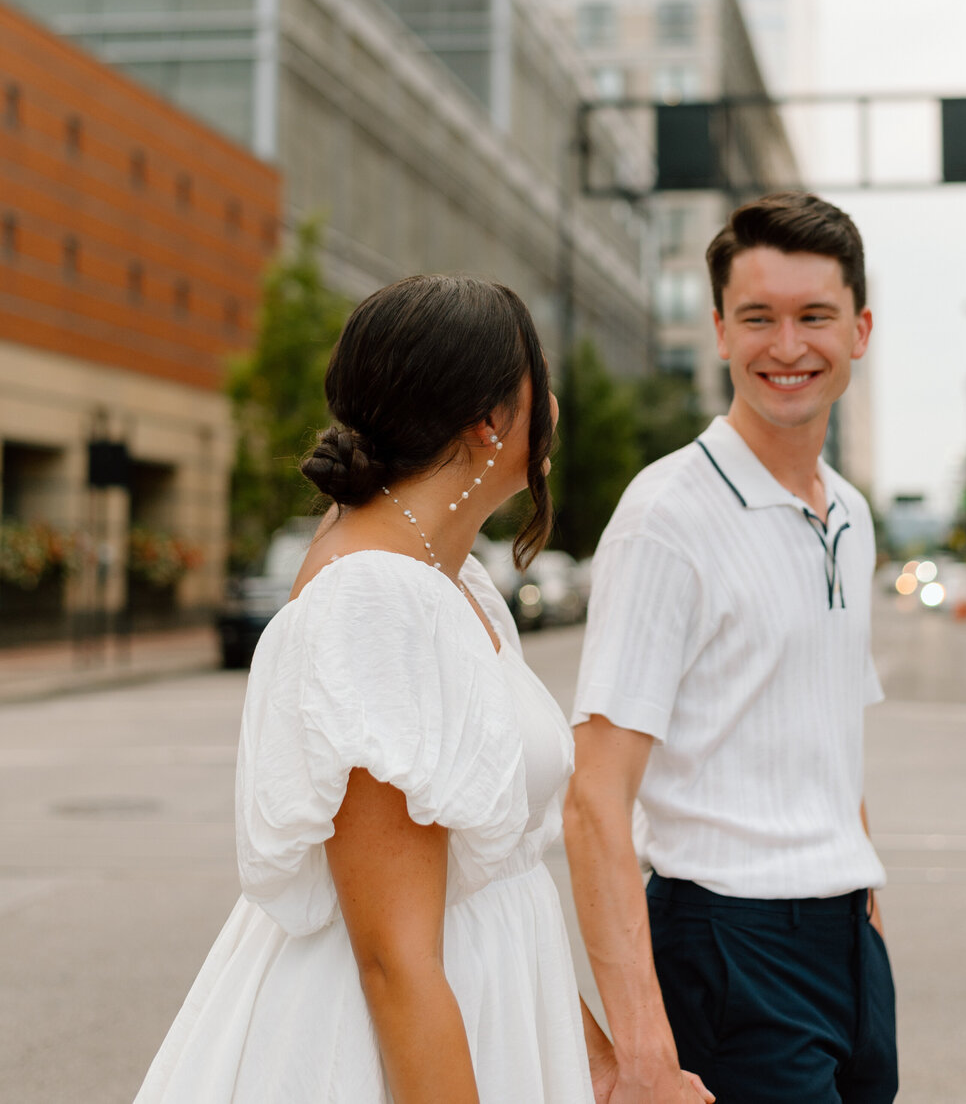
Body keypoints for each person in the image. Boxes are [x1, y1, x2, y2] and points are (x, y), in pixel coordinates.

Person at [134, 273, 688, 1104]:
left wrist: (605, 1070)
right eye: (543, 381)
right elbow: (394, 960)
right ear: (491, 419)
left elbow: (486, 877)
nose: (559, 409)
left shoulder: (452, 585)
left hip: (489, 1017)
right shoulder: (375, 601)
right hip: (399, 1051)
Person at [565, 192, 898, 1104]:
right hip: (727, 946)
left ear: (859, 329)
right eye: (758, 318)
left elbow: (828, 726)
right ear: (719, 331)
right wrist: (641, 1057)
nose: (786, 346)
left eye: (814, 317)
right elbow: (594, 799)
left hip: (848, 947)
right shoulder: (667, 516)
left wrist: (856, 893)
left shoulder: (851, 514)